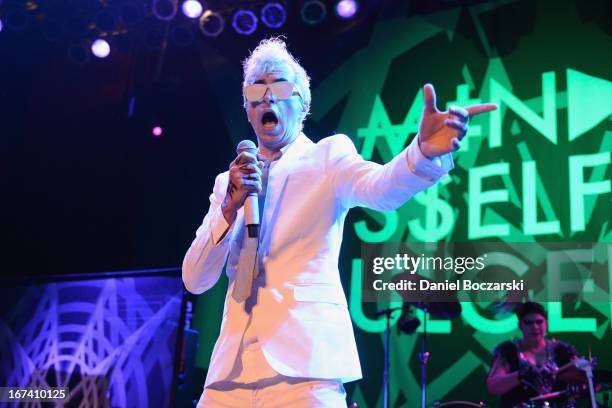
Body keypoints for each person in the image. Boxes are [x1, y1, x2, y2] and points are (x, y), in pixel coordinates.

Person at [182, 37, 497, 407]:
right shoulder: (228, 183)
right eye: (256, 90)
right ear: (248, 108)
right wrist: (228, 211)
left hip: (304, 372)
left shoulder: (327, 156)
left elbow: (380, 189)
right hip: (229, 377)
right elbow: (195, 279)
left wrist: (422, 152)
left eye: (280, 87)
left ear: (301, 103)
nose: (267, 98)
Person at [487, 302, 578, 407]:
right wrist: (521, 375)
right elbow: (493, 385)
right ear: (520, 326)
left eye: (539, 322)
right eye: (528, 323)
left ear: (546, 324)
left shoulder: (562, 351)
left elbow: (586, 380)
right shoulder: (508, 351)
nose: (535, 327)